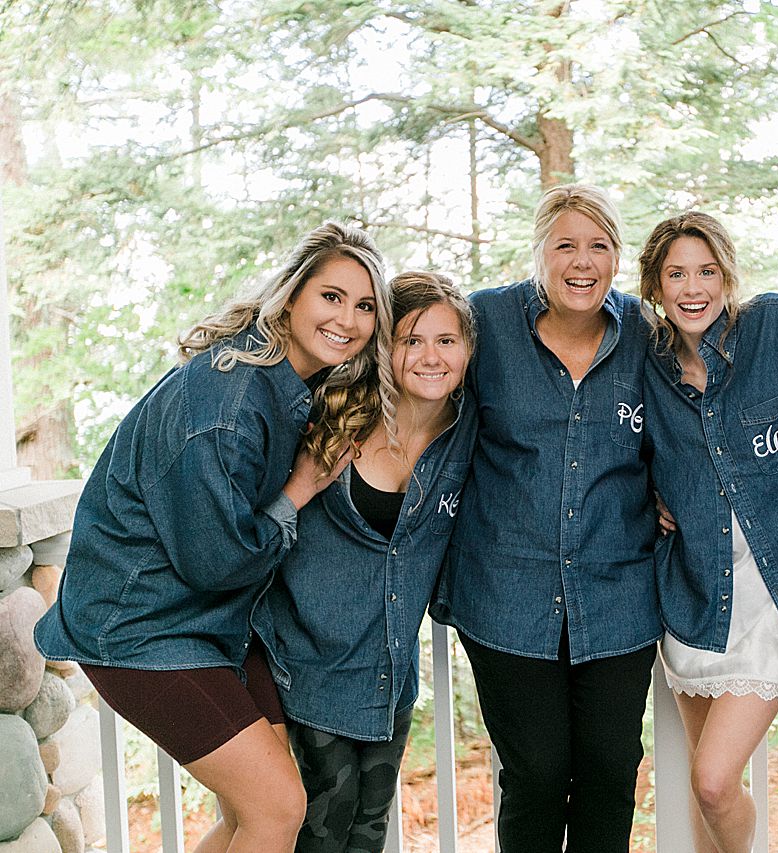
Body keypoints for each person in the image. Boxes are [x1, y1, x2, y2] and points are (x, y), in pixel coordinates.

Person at [33, 222, 391, 853]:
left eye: (365, 305)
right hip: (141, 631)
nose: (349, 319)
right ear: (291, 295)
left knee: (252, 811)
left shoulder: (283, 382)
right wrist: (302, 487)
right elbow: (216, 561)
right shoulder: (226, 405)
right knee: (277, 808)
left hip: (212, 623)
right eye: (331, 296)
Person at [430, 184, 659, 852]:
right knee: (534, 774)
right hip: (506, 592)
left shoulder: (648, 332)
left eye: (598, 246)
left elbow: (690, 423)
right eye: (565, 245)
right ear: (538, 253)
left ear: (617, 258)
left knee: (611, 771)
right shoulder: (484, 323)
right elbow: (422, 391)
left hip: (618, 594)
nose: (581, 261)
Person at [638, 211, 778, 853]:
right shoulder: (644, 364)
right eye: (676, 274)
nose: (692, 287)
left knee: (711, 781)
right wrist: (644, 492)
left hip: (771, 600)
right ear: (655, 287)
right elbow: (609, 442)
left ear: (729, 275)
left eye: (706, 270)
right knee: (709, 796)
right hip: (692, 598)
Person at [253, 272, 477, 852]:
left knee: (369, 831)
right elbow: (253, 507)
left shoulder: (469, 432)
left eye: (446, 340)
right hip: (305, 667)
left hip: (388, 675)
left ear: (468, 350)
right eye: (412, 340)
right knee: (319, 832)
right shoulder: (332, 415)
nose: (431, 357)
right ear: (386, 348)